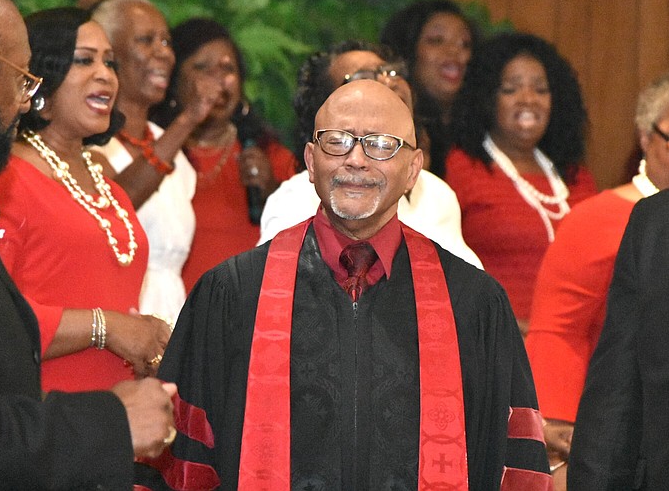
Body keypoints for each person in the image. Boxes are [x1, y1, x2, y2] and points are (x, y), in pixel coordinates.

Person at [151, 80, 551, 490]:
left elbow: (514, 469)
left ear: (413, 169)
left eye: (380, 144)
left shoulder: (473, 303)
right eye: (337, 141)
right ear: (310, 160)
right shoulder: (233, 295)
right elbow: (183, 466)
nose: (356, 160)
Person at [0, 0, 175, 488]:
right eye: (22, 78)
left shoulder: (100, 179)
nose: (23, 102)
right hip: (45, 434)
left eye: (110, 61)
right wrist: (107, 418)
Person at [524, 68, 669, 489]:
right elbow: (559, 329)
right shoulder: (604, 218)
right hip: (588, 422)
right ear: (645, 138)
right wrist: (558, 424)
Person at [0, 7, 171, 391]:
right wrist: (107, 327)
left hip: (119, 420)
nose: (104, 74)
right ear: (41, 81)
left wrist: (147, 338)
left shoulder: (109, 188)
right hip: (41, 419)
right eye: (84, 60)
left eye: (110, 62)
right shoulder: (3, 177)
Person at [259, 39, 483, 269]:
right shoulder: (293, 200)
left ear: (414, 167)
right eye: (362, 76)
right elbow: (275, 287)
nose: (388, 81)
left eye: (390, 71)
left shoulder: (436, 193)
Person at [445, 32, 599, 334]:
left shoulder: (576, 177)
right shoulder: (462, 168)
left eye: (541, 90)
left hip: (573, 345)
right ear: (487, 98)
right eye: (510, 89)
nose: (528, 99)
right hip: (495, 343)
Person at [152, 17, 297, 292]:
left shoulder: (268, 154)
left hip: (247, 316)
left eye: (227, 68)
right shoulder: (154, 151)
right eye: (202, 68)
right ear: (173, 81)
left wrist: (270, 189)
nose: (218, 79)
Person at [91, 0, 202, 326]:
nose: (164, 52)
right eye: (146, 40)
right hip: (122, 318)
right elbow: (118, 204)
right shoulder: (89, 144)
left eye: (166, 41)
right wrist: (188, 120)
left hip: (174, 315)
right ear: (109, 56)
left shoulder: (172, 149)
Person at [381, 0, 478, 178]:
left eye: (464, 43)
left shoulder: (483, 133)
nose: (454, 51)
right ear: (408, 52)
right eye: (436, 40)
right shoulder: (391, 127)